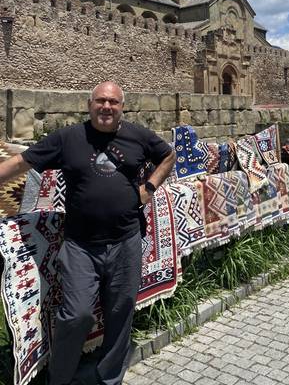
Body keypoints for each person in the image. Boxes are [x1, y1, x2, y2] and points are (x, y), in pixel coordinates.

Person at [0, 81, 175, 385]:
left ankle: (109, 377)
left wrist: (148, 189)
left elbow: (168, 156)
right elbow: (21, 162)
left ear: (122, 107)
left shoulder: (137, 136)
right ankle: (60, 379)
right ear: (89, 104)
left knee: (121, 312)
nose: (106, 106)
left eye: (113, 102)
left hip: (126, 240)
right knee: (77, 314)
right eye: (100, 101)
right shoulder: (69, 138)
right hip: (81, 246)